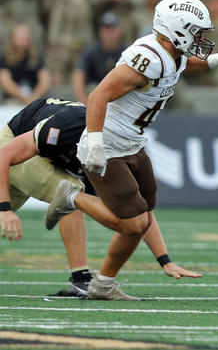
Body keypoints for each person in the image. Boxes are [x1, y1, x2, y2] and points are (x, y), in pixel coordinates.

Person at [58, 0, 218, 300]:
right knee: (134, 223)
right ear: (177, 28)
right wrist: (95, 143)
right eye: (196, 31)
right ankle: (71, 196)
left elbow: (183, 65)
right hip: (109, 144)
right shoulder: (146, 58)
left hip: (134, 143)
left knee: (146, 212)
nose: (201, 39)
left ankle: (103, 284)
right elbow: (98, 96)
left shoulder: (170, 52)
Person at [0, 97, 201, 297]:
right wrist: (5, 209)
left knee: (75, 193)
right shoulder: (68, 127)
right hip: (17, 141)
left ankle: (80, 279)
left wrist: (164, 260)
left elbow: (140, 209)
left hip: (59, 152)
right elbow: (4, 155)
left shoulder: (125, 147)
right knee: (71, 192)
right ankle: (81, 279)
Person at [72, 12, 126, 105]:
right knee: (93, 89)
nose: (109, 34)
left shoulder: (127, 53)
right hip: (94, 95)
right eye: (106, 29)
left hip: (118, 97)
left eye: (112, 29)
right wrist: (84, 103)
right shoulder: (91, 52)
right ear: (100, 31)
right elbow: (78, 75)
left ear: (120, 30)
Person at [0, 23, 50, 105]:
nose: (24, 40)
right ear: (13, 38)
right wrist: (24, 97)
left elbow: (45, 80)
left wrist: (34, 97)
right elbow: (5, 81)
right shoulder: (5, 59)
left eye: (27, 37)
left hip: (36, 98)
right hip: (14, 99)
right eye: (21, 37)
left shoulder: (37, 58)